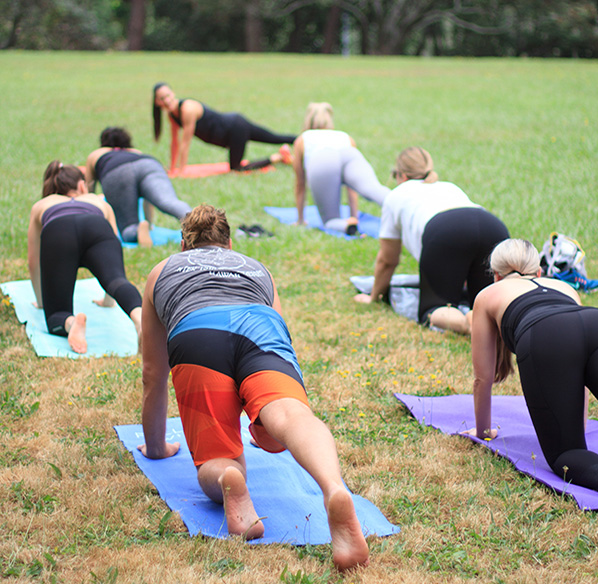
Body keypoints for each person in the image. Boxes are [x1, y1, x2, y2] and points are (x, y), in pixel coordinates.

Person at [137, 204, 369, 571]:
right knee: (292, 415)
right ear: (229, 243)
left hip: (198, 335)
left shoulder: (161, 271)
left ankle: (230, 476)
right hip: (259, 329)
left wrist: (156, 447)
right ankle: (333, 488)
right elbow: (280, 331)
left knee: (217, 458)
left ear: (183, 245)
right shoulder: (258, 269)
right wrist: (264, 418)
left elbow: (153, 373)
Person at [465, 238, 598, 492]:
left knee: (568, 456)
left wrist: (483, 431)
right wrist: (577, 426)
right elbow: (579, 373)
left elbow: (482, 378)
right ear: (539, 272)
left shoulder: (488, 294)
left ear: (496, 275)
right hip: (594, 320)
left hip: (545, 335)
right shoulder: (564, 287)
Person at [354, 146, 509, 334]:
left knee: (433, 309)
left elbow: (388, 260)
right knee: (487, 299)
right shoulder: (449, 187)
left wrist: (373, 297)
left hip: (444, 231)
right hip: (492, 226)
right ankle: (500, 322)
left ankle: (469, 325)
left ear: (401, 175)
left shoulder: (395, 196)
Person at [27, 161, 142, 354]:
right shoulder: (97, 201)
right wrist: (109, 300)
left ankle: (71, 323)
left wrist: (41, 301)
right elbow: (115, 252)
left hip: (58, 230)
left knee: (57, 314)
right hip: (95, 225)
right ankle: (140, 320)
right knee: (117, 280)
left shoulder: (42, 205)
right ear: (81, 185)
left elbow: (33, 261)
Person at [152, 82, 296, 174]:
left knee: (237, 168)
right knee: (274, 139)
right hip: (231, 131)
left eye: (168, 96)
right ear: (157, 102)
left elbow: (185, 142)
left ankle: (279, 156)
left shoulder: (187, 109)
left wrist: (181, 171)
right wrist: (173, 169)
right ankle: (284, 153)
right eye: (162, 98)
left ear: (173, 93)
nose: (166, 100)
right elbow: (175, 143)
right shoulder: (172, 115)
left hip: (235, 128)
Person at [293, 102, 390, 234]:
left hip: (322, 161)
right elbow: (352, 187)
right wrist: (354, 216)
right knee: (374, 190)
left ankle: (346, 226)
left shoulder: (303, 139)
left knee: (330, 221)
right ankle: (403, 203)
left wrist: (300, 220)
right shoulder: (345, 137)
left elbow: (300, 183)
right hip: (348, 154)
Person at [85, 127, 192, 247]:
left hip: (116, 171)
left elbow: (89, 188)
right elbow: (148, 197)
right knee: (169, 202)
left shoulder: (96, 154)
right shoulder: (135, 152)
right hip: (149, 164)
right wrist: (149, 221)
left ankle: (137, 230)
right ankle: (198, 222)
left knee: (128, 230)